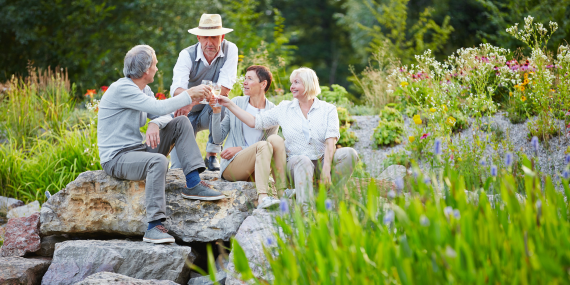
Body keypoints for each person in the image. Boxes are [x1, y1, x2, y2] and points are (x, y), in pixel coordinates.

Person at [98, 45, 226, 244]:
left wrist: (155, 123)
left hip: (137, 151)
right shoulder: (122, 89)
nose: (157, 69)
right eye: (155, 65)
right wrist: (189, 94)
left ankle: (193, 182)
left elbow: (164, 114)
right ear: (146, 70)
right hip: (117, 158)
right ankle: (154, 227)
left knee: (182, 122)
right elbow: (159, 106)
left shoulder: (143, 89)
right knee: (157, 161)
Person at [217, 67, 359, 210]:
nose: (291, 87)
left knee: (349, 154)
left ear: (309, 84)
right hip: (296, 162)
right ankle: (306, 208)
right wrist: (229, 104)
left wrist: (326, 168)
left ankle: (329, 195)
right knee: (302, 160)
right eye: (291, 83)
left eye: (296, 82)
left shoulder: (328, 109)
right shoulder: (284, 108)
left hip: (322, 160)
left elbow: (331, 141)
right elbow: (255, 122)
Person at [210, 65, 288, 209]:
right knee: (263, 145)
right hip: (232, 166)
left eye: (250, 79)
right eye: (245, 78)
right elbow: (218, 138)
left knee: (274, 141)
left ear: (263, 84)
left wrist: (241, 148)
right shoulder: (237, 103)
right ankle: (263, 197)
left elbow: (271, 146)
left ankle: (283, 194)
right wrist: (216, 113)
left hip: (255, 171)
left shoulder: (273, 111)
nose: (244, 82)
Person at [169, 13, 238, 172]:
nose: (209, 42)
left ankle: (212, 154)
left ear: (222, 36)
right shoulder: (186, 54)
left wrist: (191, 100)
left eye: (214, 37)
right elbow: (177, 90)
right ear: (198, 37)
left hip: (208, 110)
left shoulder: (230, 49)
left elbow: (224, 89)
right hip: (184, 113)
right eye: (205, 37)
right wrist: (187, 102)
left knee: (223, 103)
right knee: (179, 169)